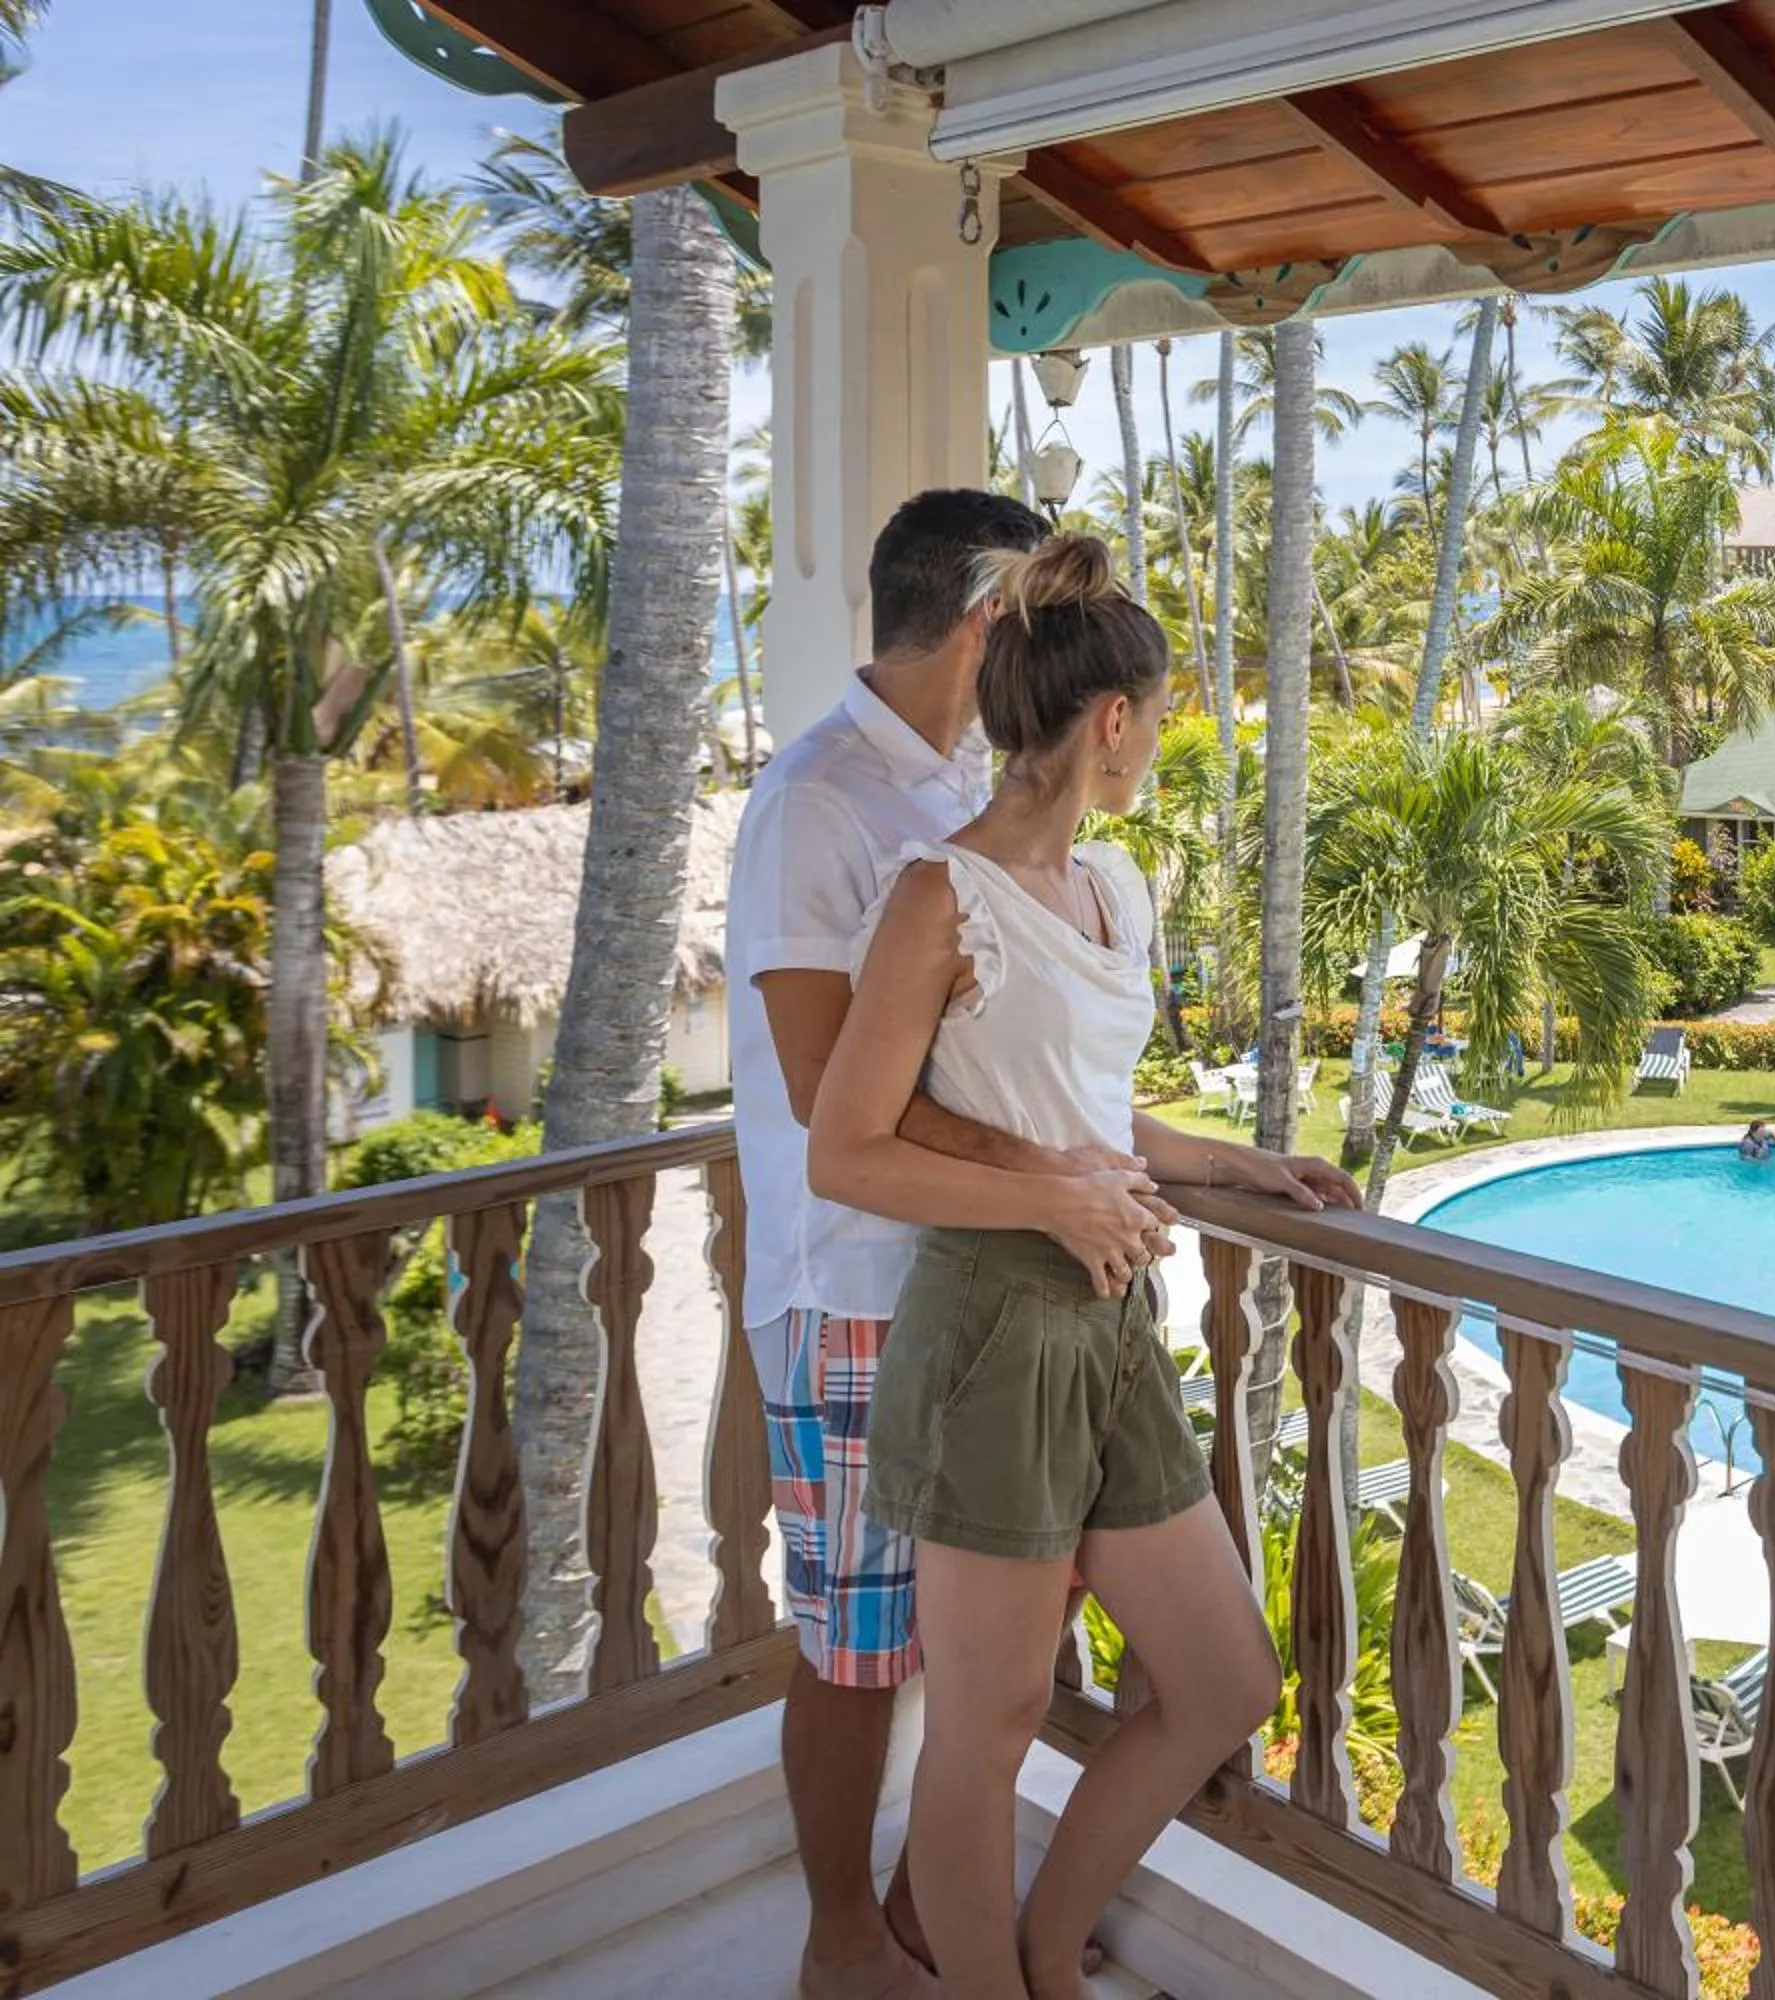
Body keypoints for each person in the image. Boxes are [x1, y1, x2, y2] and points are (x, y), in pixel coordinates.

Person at [810, 535, 1358, 2000]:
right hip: (992, 1332)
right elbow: (846, 1149)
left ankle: (1048, 1945)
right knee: (983, 1734)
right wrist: (1052, 1206)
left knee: (1225, 1680)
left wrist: (1242, 1164)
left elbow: (1081, 1110)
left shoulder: (1112, 889)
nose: (1160, 742)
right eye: (1163, 715)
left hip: (1110, 1328)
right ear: (1111, 719)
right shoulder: (940, 895)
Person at [729, 489, 1172, 2000]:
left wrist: (1125, 1169)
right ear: (993, 613)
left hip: (972, 1278)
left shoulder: (961, 800)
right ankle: (845, 1936)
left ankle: (942, 1919)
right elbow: (826, 1093)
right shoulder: (825, 802)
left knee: (980, 1662)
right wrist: (1061, 1178)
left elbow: (1004, 1066)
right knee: (862, 1651)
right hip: (851, 1279)